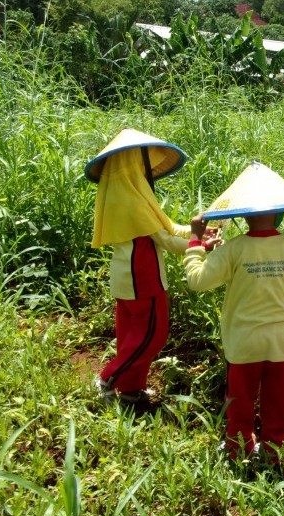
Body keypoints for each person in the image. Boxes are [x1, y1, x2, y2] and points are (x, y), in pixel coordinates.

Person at [183, 161, 284, 459]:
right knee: (280, 398)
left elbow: (197, 280)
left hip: (243, 341)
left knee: (240, 397)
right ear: (280, 211)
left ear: (242, 215)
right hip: (281, 341)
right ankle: (273, 448)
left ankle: (237, 446)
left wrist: (196, 242)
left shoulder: (233, 249)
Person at [87, 128, 213, 404]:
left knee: (131, 335)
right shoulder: (135, 200)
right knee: (152, 336)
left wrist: (197, 234)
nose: (148, 169)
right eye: (144, 162)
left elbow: (165, 228)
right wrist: (200, 244)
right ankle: (107, 378)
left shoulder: (126, 194)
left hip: (125, 277)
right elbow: (167, 240)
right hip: (144, 279)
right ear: (135, 165)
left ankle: (131, 390)